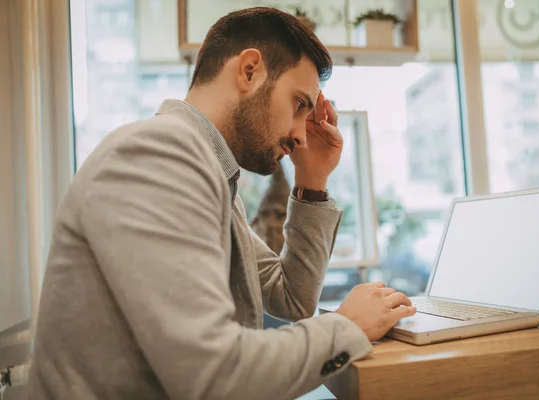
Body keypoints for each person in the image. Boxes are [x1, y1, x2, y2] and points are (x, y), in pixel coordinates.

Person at [29, 7, 416, 400]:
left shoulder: (207, 172)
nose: (302, 134)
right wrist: (347, 328)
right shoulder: (159, 155)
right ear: (249, 71)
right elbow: (215, 375)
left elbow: (292, 297)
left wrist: (312, 182)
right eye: (299, 103)